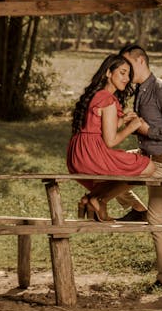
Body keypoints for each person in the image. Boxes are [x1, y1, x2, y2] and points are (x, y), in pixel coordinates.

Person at [118, 44, 162, 289]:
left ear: (140, 61)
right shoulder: (140, 89)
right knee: (109, 168)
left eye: (127, 64)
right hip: (146, 156)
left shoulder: (160, 89)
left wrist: (150, 131)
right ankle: (137, 207)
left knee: (157, 219)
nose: (124, 69)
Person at [67, 54, 156, 221]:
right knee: (148, 167)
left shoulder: (97, 95)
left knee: (126, 170)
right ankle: (100, 199)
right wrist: (132, 127)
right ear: (108, 73)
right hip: (91, 154)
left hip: (77, 154)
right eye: (122, 73)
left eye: (128, 74)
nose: (126, 78)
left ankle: (90, 199)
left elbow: (96, 126)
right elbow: (111, 141)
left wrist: (121, 120)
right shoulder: (107, 99)